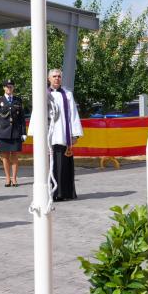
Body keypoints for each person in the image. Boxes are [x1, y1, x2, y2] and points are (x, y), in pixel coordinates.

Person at [48, 69, 83, 201]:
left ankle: (64, 193)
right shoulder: (44, 94)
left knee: (64, 165)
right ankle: (51, 192)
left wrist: (75, 134)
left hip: (63, 136)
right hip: (49, 137)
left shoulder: (67, 94)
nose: (57, 78)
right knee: (51, 166)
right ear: (49, 79)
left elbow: (73, 114)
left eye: (59, 76)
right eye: (54, 76)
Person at [0, 79, 26, 187]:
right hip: (3, 132)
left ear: (13, 88)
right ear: (4, 88)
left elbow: (21, 118)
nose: (9, 88)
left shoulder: (18, 100)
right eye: (7, 86)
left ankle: (14, 178)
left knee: (15, 156)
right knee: (5, 157)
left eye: (11, 86)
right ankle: (7, 178)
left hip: (16, 132)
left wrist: (23, 132)